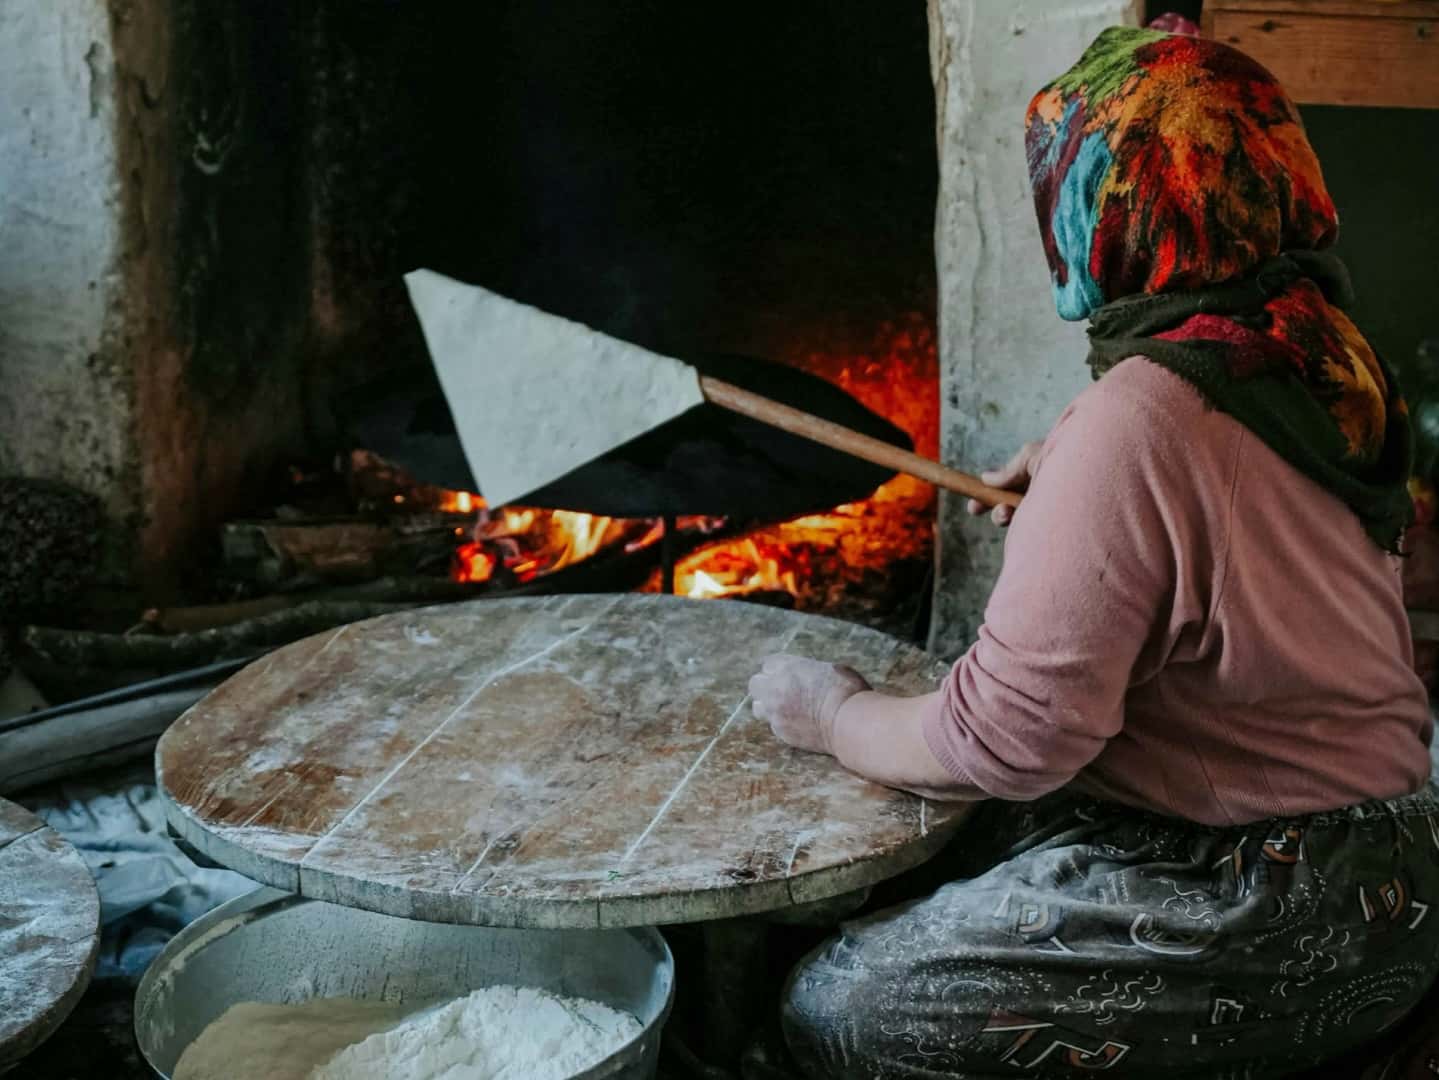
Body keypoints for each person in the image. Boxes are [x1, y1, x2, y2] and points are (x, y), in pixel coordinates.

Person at [749, 26, 1439, 1079]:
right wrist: (1077, 472)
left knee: (837, 1006)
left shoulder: (1145, 415)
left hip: (1280, 896)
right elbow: (1223, 521)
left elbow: (1008, 742)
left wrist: (833, 715)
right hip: (1388, 852)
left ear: (1104, 208)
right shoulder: (1313, 348)